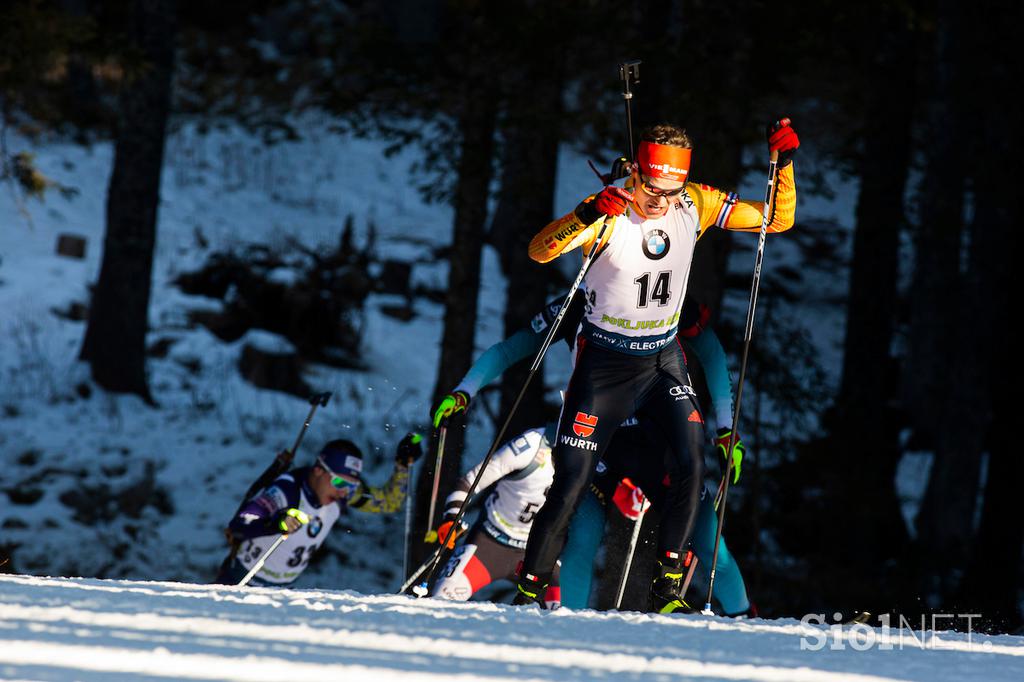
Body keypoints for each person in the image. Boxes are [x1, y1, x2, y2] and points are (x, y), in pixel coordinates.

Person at [513, 119, 798, 611]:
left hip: (662, 359)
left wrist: (785, 167)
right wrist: (584, 214)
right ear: (636, 174)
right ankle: (529, 588)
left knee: (693, 461)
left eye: (671, 190)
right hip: (605, 363)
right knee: (572, 481)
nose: (660, 201)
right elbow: (540, 251)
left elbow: (774, 219)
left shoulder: (696, 203)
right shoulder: (609, 211)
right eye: (652, 188)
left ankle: (668, 585)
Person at [434, 294, 751, 613]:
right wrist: (465, 390)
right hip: (596, 439)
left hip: (655, 443)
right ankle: (569, 624)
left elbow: (710, 351)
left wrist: (726, 427)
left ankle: (746, 622)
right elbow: (510, 349)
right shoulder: (576, 301)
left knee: (710, 548)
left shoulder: (659, 288)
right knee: (582, 536)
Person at [215, 433, 423, 587]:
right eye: (340, 481)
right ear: (318, 470)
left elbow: (389, 502)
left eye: (352, 485)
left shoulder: (342, 494)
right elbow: (240, 524)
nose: (345, 491)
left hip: (282, 589)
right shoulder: (287, 490)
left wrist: (403, 466)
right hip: (242, 580)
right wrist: (276, 522)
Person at [428, 426, 561, 608]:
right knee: (439, 602)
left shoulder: (592, 455)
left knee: (560, 617)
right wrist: (452, 518)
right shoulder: (531, 444)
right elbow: (469, 482)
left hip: (541, 553)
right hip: (489, 544)